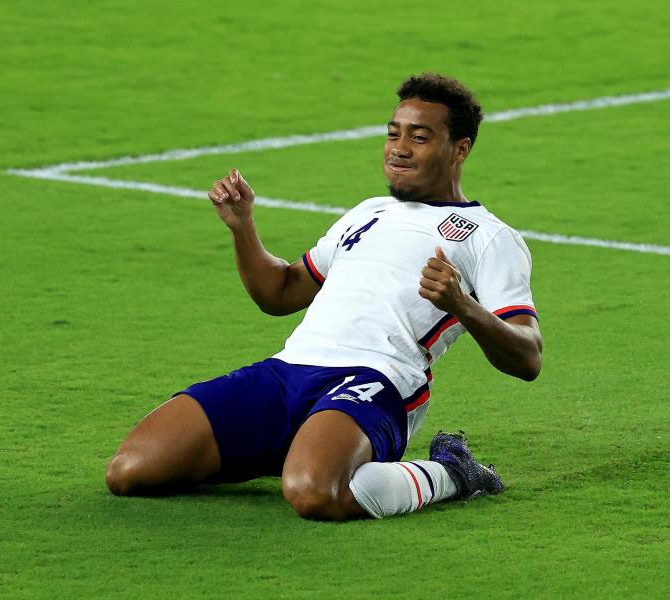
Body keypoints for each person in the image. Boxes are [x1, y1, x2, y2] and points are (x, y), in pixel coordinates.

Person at [105, 73, 543, 520]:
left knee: (315, 494)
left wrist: (462, 305)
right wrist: (243, 228)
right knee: (131, 470)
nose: (399, 147)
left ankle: (453, 472)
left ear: (460, 149)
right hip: (288, 371)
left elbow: (528, 358)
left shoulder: (489, 238)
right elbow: (279, 292)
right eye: (393, 134)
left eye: (420, 137)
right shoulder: (367, 212)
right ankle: (300, 448)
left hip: (377, 380)